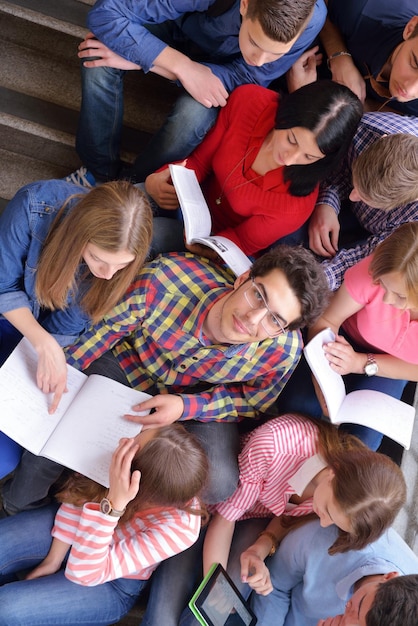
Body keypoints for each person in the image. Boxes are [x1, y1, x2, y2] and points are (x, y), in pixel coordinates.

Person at [1, 245, 330, 515]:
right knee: (57, 433)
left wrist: (186, 406)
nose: (252, 319)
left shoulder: (283, 351)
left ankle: (106, 506)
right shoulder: (165, 279)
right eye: (258, 296)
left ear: (284, 329)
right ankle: (18, 506)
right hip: (130, 366)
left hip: (195, 398)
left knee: (218, 483)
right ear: (244, 278)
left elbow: (252, 401)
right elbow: (105, 332)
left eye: (275, 319)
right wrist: (68, 375)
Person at [172, 412, 406, 626]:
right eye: (326, 511)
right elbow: (224, 518)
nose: (322, 524)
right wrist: (216, 585)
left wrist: (260, 550)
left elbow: (285, 517)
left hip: (247, 519)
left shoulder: (336, 495)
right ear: (333, 473)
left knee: (220, 607)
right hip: (205, 506)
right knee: (175, 611)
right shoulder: (275, 446)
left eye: (332, 521)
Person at [67, 0, 327, 186]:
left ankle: (132, 188)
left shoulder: (312, 18)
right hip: (173, 27)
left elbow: (247, 77)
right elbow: (106, 14)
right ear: (245, 5)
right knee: (96, 56)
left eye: (276, 54)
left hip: (222, 71)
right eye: (255, 43)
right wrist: (179, 65)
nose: (260, 60)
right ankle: (98, 172)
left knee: (191, 118)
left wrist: (148, 62)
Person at [0, 179, 152, 477]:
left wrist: (49, 352)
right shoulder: (33, 206)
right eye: (98, 258)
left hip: (35, 342)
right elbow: (3, 286)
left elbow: (71, 322)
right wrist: (44, 344)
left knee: (5, 458)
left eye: (121, 266)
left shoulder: (117, 264)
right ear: (79, 235)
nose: (109, 275)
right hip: (9, 318)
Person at [0, 425, 209, 626]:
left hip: (112, 582)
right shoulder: (133, 453)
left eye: (135, 444)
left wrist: (114, 505)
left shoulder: (181, 529)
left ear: (137, 486)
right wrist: (53, 559)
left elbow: (85, 573)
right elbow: (79, 498)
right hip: (82, 529)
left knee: (7, 608)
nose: (125, 442)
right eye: (140, 434)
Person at [145, 80, 362, 258]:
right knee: (126, 204)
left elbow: (242, 243)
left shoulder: (297, 202)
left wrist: (207, 250)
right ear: (286, 115)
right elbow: (199, 163)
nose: (290, 158)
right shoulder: (251, 102)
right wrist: (156, 179)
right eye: (291, 139)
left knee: (147, 236)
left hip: (212, 241)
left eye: (309, 156)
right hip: (187, 197)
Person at [278, 222, 418, 450]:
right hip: (343, 336)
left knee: (363, 443)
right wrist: (321, 380)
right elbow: (327, 320)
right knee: (298, 406)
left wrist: (362, 363)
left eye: (400, 296)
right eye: (383, 286)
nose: (387, 301)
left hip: (393, 365)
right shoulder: (379, 268)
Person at [308, 111, 418, 290]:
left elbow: (370, 256)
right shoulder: (365, 129)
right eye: (356, 186)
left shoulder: (414, 221)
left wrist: (310, 285)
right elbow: (337, 170)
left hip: (382, 244)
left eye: (364, 197)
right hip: (338, 203)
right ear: (382, 139)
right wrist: (327, 203)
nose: (353, 195)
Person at [249, 519, 418, 626]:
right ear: (389, 577)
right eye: (359, 606)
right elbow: (274, 584)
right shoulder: (333, 538)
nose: (348, 619)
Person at [319, 1, 418, 115]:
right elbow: (318, 6)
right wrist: (339, 57)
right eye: (415, 62)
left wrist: (363, 105)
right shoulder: (359, 9)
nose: (409, 89)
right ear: (410, 29)